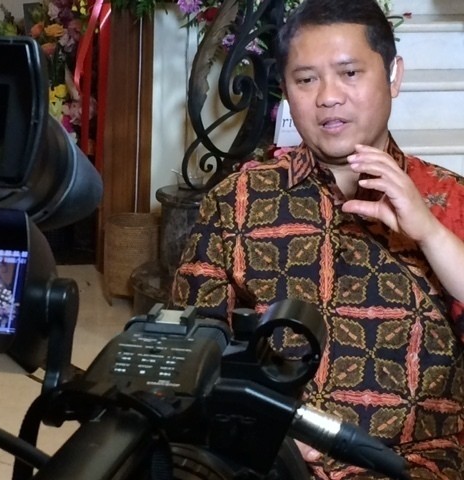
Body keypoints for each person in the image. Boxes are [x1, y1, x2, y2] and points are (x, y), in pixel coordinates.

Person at [172, 0, 464, 477]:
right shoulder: (238, 199)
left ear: (394, 76)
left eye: (349, 73)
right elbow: (190, 348)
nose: (328, 97)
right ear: (286, 91)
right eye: (306, 80)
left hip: (415, 464)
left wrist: (429, 233)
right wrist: (255, 419)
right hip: (267, 459)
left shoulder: (448, 198)